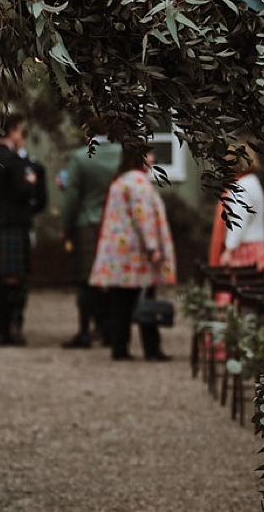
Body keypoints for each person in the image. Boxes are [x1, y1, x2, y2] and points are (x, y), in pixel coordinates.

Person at [89, 143, 176, 362]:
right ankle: (151, 347)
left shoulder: (120, 181)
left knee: (120, 302)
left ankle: (119, 346)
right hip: (136, 254)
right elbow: (143, 217)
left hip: (119, 253)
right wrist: (153, 248)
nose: (153, 158)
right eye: (150, 153)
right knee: (145, 298)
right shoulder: (138, 182)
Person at [0, 114, 40, 346]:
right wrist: (31, 181)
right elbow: (22, 191)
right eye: (21, 132)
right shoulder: (14, 161)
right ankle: (10, 330)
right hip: (14, 226)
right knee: (13, 281)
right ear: (13, 131)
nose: (21, 137)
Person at [59, 126, 121, 348]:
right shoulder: (121, 153)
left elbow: (72, 196)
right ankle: (108, 330)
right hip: (114, 223)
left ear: (87, 133)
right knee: (110, 278)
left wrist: (66, 226)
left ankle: (85, 331)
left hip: (86, 222)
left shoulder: (80, 157)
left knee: (86, 280)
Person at [209, 148, 264, 278]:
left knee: (237, 294)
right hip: (258, 245)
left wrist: (229, 251)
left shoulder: (239, 188)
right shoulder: (254, 181)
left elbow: (237, 222)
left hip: (244, 249)